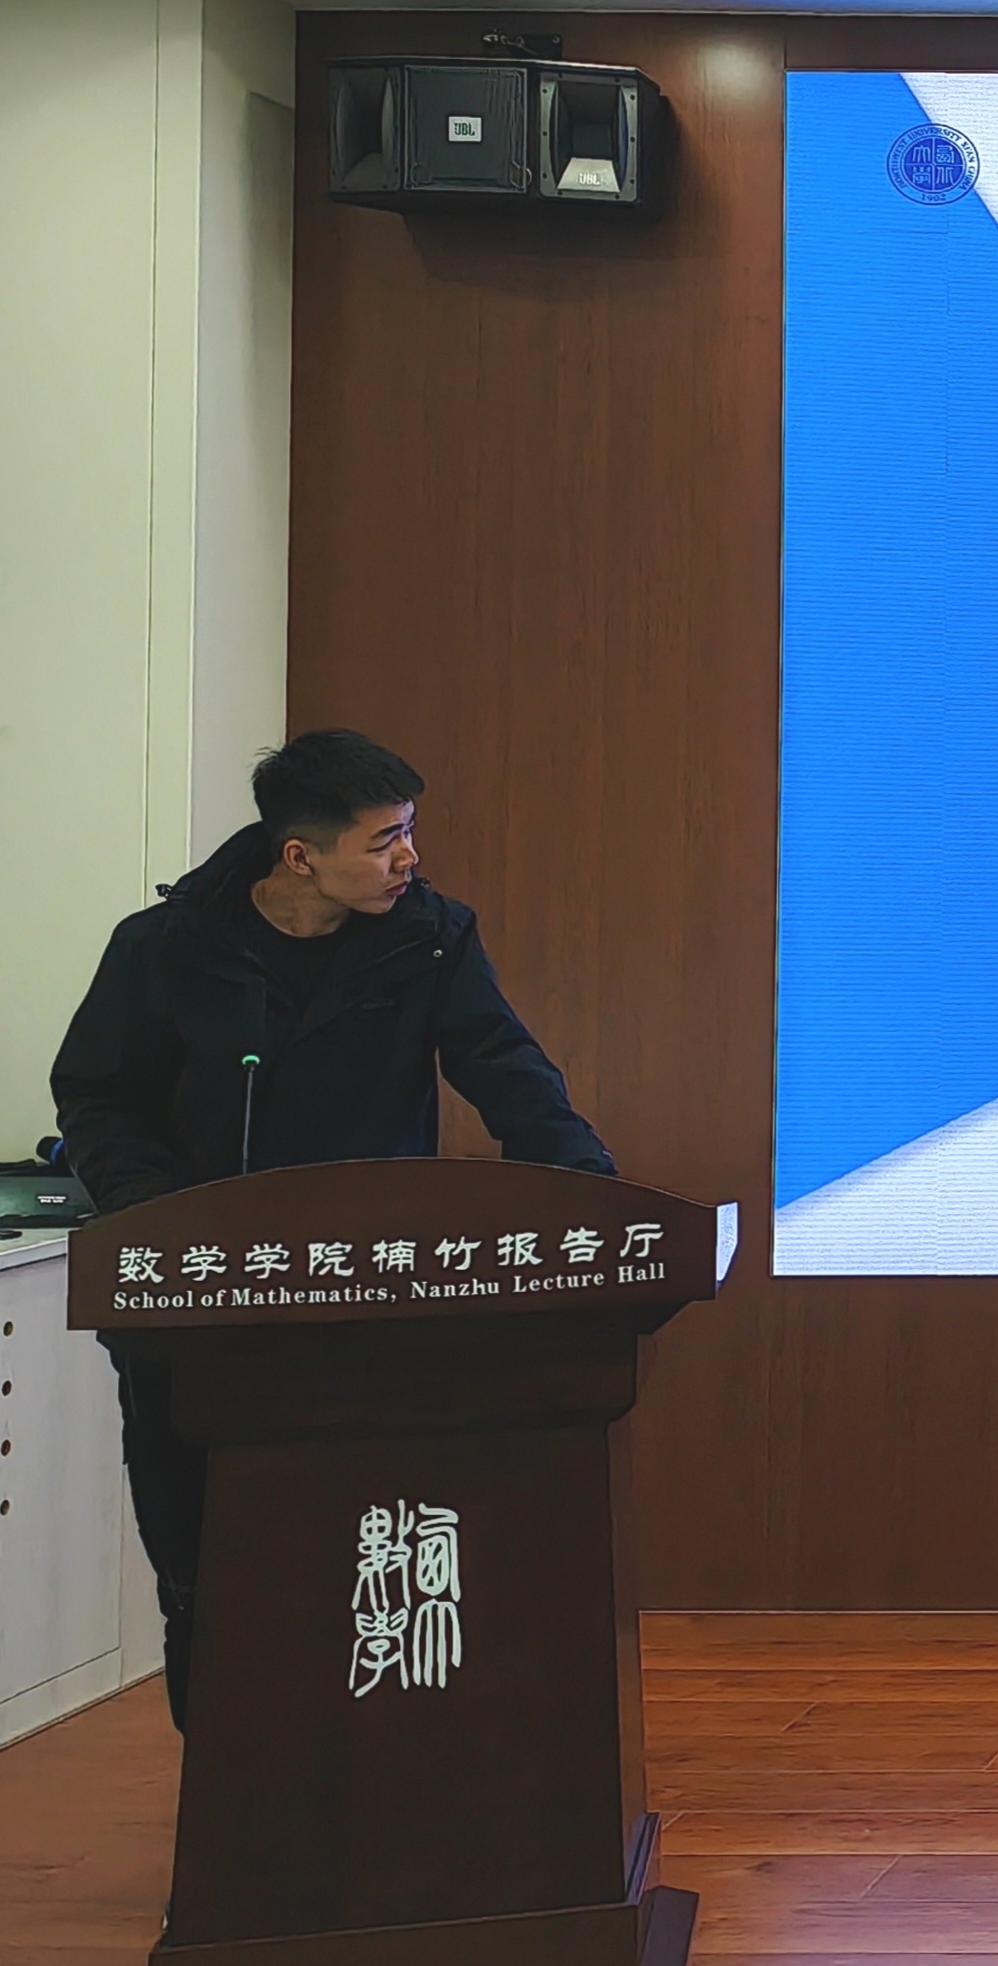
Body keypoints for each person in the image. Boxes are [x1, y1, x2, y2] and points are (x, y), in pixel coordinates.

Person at [51, 729, 612, 1728]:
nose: (410, 859)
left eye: (410, 832)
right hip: (200, 1312)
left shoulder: (429, 938)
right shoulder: (163, 948)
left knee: (372, 1565)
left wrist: (593, 1194)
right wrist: (157, 1217)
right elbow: (99, 1098)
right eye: (384, 840)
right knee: (208, 1573)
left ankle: (375, 1789)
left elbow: (508, 1073)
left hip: (370, 1305)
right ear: (300, 856)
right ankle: (231, 1799)